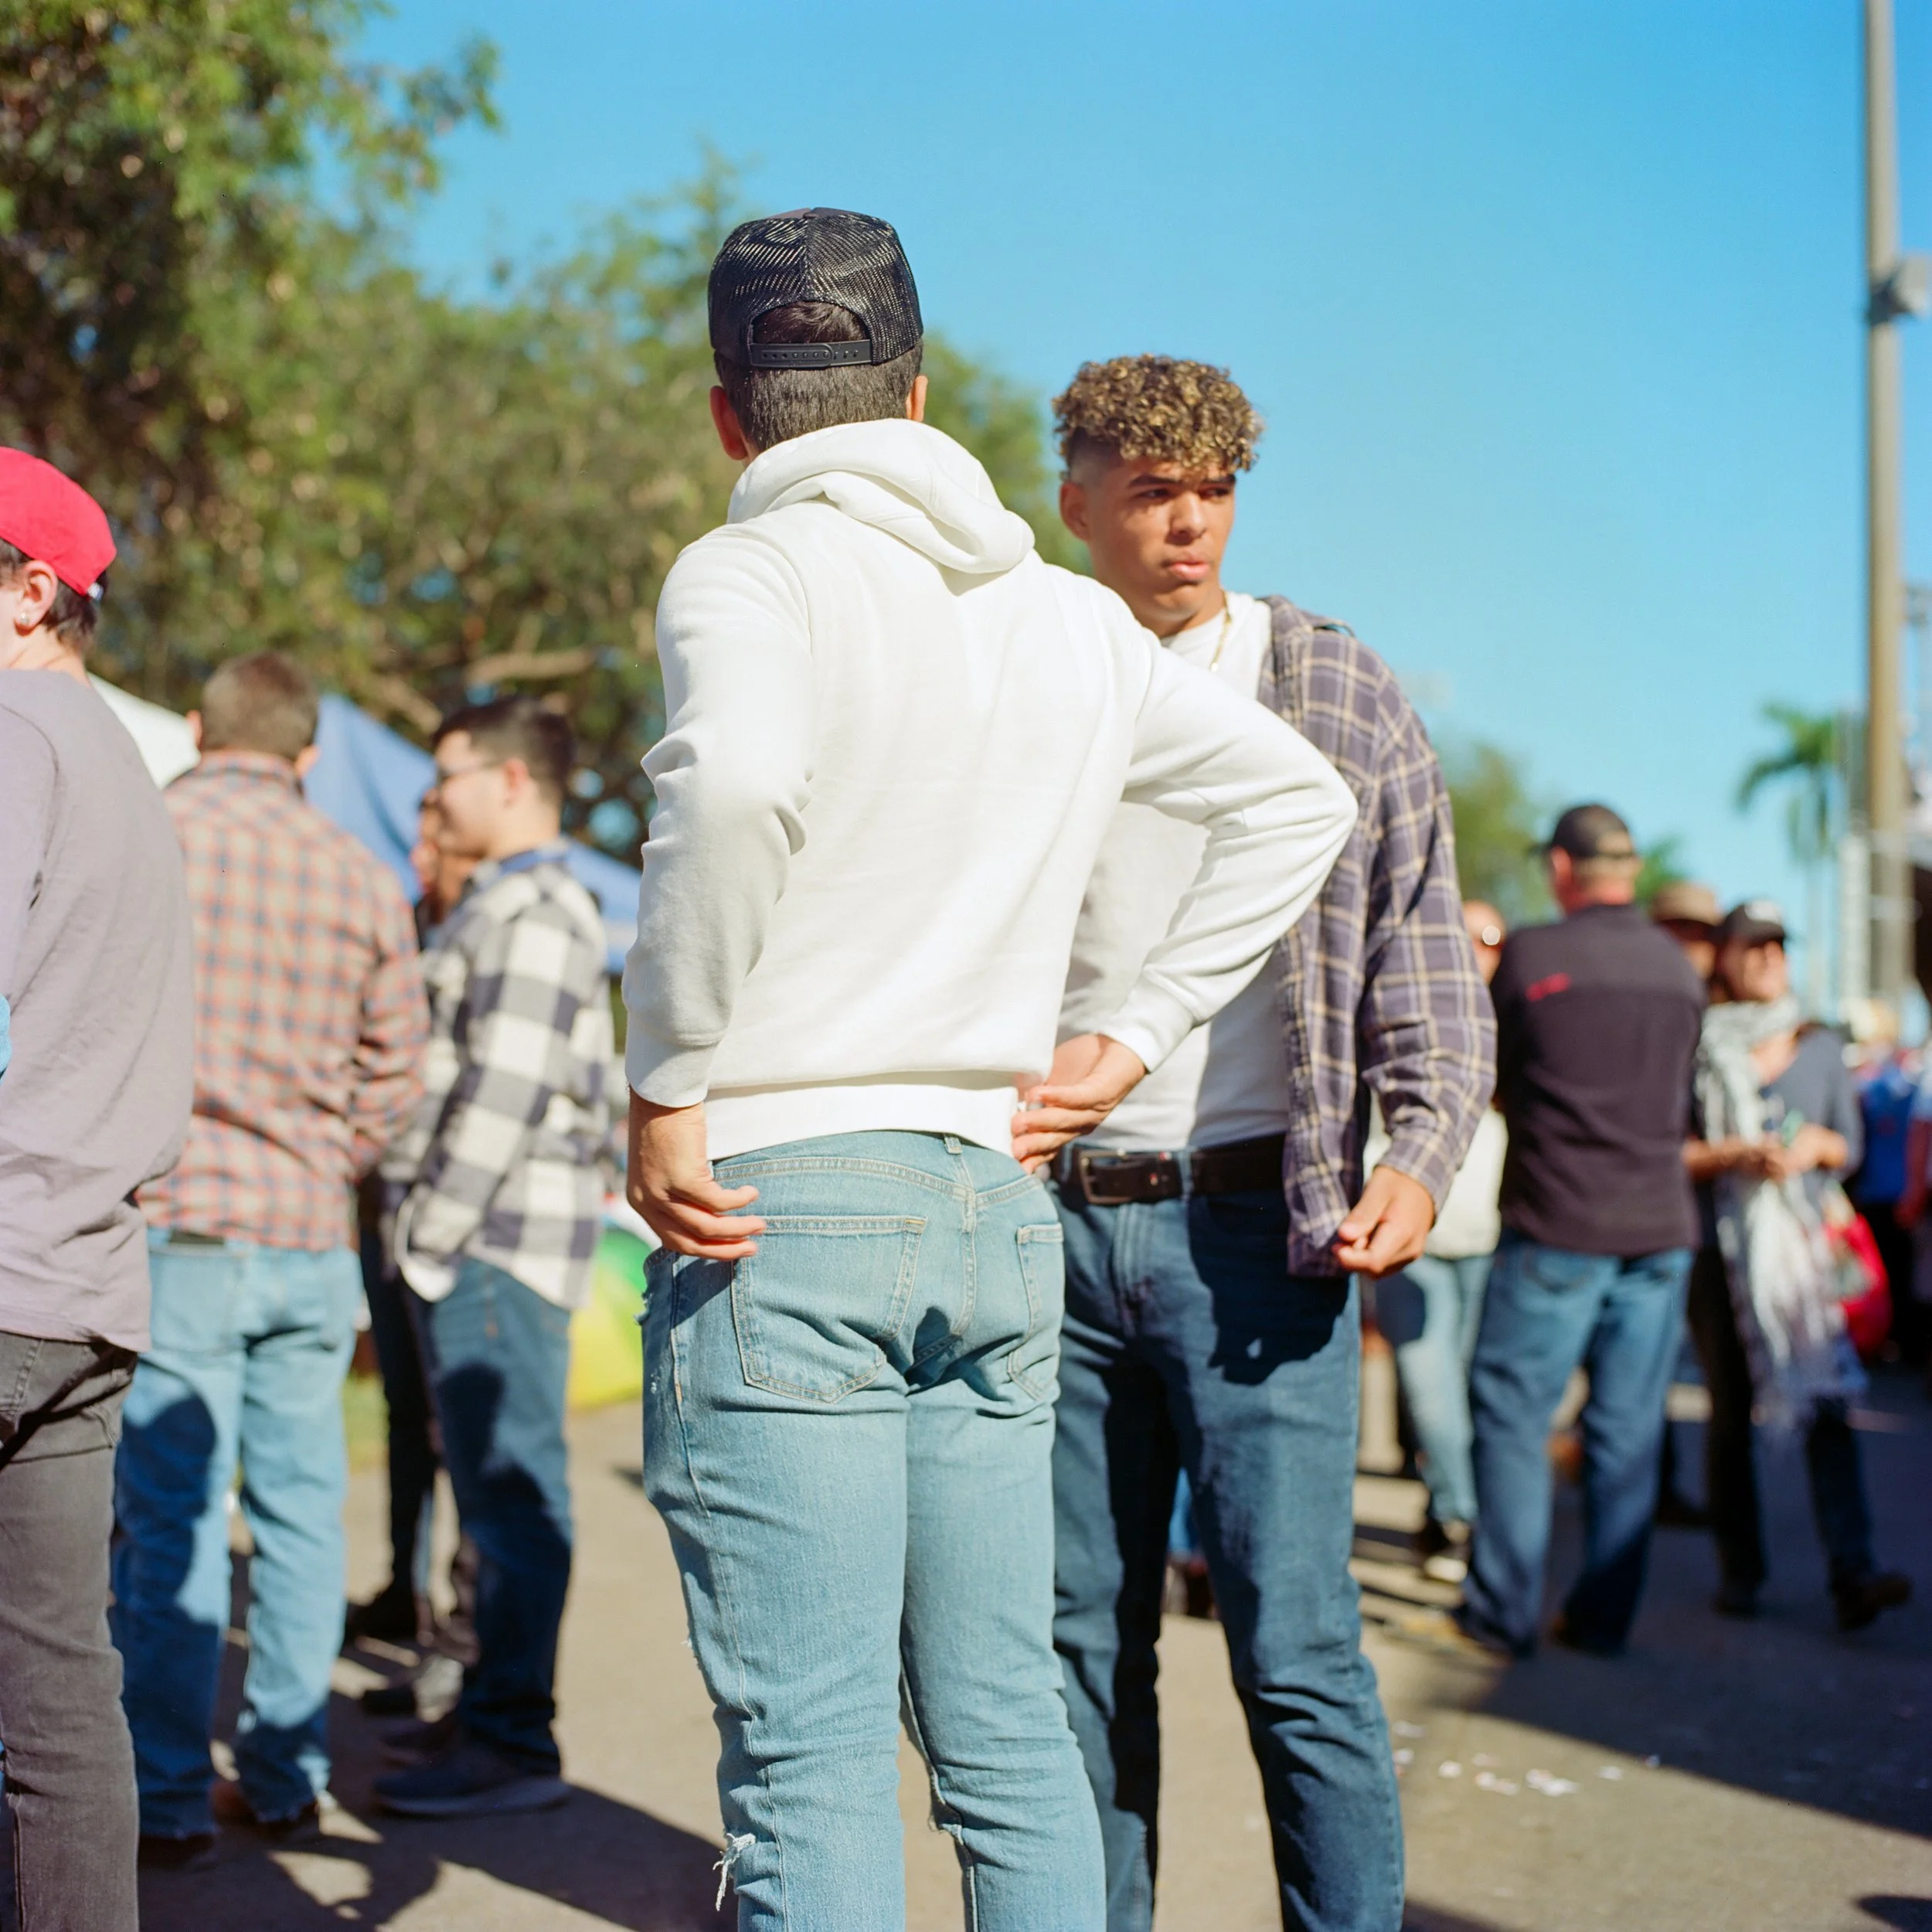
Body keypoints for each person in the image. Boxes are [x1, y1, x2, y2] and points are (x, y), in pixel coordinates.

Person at [624, 217, 1358, 1931]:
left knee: (808, 1755)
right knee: (1010, 1733)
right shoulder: (1071, 623)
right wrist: (1132, 1031)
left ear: (732, 417)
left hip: (779, 1199)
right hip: (988, 1201)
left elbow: (727, 792)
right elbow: (1296, 803)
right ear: (922, 390)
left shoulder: (750, 573)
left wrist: (666, 1074)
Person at [1044, 355, 1493, 1932]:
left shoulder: (1327, 682)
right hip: (1041, 1225)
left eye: (1213, 491)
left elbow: (1421, 951)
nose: (1188, 524)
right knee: (1069, 1648)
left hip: (1258, 1225)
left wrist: (1420, 1151)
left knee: (1293, 1644)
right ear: (1075, 499)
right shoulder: (1025, 668)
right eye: (1153, 490)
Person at [111, 652, 428, 1861]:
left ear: (196, 729)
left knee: (174, 1524)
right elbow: (399, 1072)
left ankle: (167, 1795)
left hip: (177, 1221)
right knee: (302, 1517)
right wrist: (325, 1156)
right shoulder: (360, 872)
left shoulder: (148, 834)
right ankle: (289, 1782)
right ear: (306, 755)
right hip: (305, 1236)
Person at [0, 449, 193, 1927]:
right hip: (80, 1283)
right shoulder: (121, 758)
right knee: (61, 1709)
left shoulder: (10, 731)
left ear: (32, 591)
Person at [372, 695, 614, 1817]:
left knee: (512, 1496)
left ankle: (512, 1744)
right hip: (485, 1243)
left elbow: (501, 1097)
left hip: (491, 1245)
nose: (437, 798)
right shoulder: (508, 907)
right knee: (491, 1493)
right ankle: (486, 1718)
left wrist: (423, 1244)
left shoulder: (534, 912)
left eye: (450, 776)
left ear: (512, 781)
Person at [1402, 804, 1703, 1661]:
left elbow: (1486, 1074)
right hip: (1657, 1229)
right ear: (1631, 871)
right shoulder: (1677, 972)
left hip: (1558, 1224)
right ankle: (1601, 1616)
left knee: (1509, 1416)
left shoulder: (1534, 954)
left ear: (1564, 871)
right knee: (1626, 1427)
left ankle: (1500, 1611)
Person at [1684, 901, 1910, 1630]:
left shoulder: (1817, 1045)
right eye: (1753, 946)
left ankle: (1855, 1568)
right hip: (1721, 1251)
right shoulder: (1702, 1045)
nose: (1767, 958)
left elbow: (1852, 1147)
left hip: (1801, 1254)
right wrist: (1735, 1156)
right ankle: (1740, 1572)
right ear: (1726, 956)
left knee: (1826, 1404)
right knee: (1730, 1416)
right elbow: (1671, 1152)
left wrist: (1814, 1147)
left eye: (1777, 946)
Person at [345, 799, 479, 1656]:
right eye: (419, 828)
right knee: (403, 1411)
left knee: (460, 1421)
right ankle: (405, 1586)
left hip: (454, 1216)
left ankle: (464, 1616)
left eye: (437, 825)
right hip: (383, 1204)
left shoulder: (483, 929)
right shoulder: (400, 925)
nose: (423, 846)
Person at [1376, 900, 1509, 1579]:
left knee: (1462, 1387)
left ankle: (1441, 1511)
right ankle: (1465, 1517)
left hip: (1486, 1239)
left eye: (1489, 938)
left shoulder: (1513, 1026)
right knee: (1429, 1389)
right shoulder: (1398, 1011)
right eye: (1463, 933)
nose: (1476, 947)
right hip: (1413, 1237)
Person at [1648, 879, 1725, 1530]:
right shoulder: (1650, 999)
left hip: (1716, 1217)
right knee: (1648, 1365)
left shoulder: (1719, 1014)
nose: (1691, 944)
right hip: (1660, 1206)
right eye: (1680, 929)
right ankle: (1653, 1483)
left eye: (1702, 932)